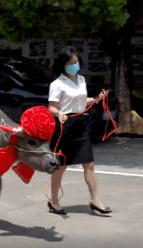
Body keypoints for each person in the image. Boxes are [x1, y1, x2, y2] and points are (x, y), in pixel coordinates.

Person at [47, 47, 111, 216]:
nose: (75, 65)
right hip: (64, 126)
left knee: (89, 164)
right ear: (63, 65)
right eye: (71, 63)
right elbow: (52, 107)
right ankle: (54, 201)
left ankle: (95, 200)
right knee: (60, 167)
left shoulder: (81, 79)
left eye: (76, 62)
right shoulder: (57, 84)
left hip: (80, 125)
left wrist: (96, 99)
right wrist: (58, 112)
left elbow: (82, 101)